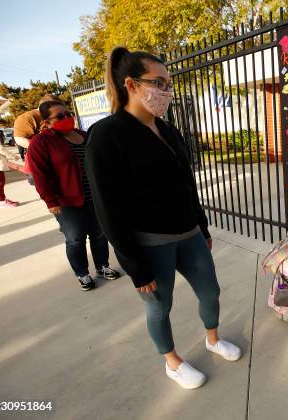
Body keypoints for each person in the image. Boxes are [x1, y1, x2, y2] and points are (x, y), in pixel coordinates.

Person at [85, 47, 242, 390]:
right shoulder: (107, 134)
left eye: (168, 84)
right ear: (131, 84)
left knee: (210, 292)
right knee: (160, 307)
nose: (166, 92)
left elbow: (187, 183)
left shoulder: (168, 130)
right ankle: (172, 362)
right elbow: (107, 208)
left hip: (189, 236)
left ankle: (213, 339)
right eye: (158, 83)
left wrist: (201, 225)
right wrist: (134, 265)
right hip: (150, 244)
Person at [26, 101, 120, 291]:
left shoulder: (83, 135)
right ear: (46, 122)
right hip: (66, 201)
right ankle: (82, 273)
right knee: (75, 238)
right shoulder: (41, 142)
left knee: (100, 234)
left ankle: (102, 267)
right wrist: (50, 200)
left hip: (94, 196)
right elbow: (40, 174)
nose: (66, 118)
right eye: (59, 116)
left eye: (68, 113)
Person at [14, 93, 62, 185]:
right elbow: (19, 139)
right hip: (39, 164)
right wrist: (43, 147)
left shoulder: (58, 116)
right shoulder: (27, 117)